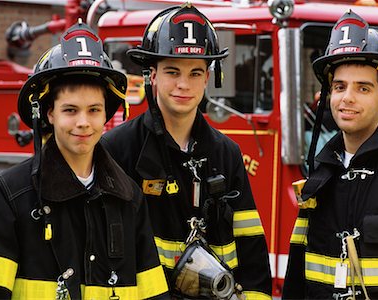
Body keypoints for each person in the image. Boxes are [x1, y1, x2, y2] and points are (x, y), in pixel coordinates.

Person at [101, 3, 272, 299]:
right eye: (172, 71)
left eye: (195, 73)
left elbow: (251, 248)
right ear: (151, 75)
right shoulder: (118, 149)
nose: (184, 84)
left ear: (208, 78)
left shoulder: (226, 153)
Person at [0, 21, 169, 299]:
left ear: (105, 115)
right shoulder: (10, 195)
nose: (83, 123)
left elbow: (153, 294)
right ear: (50, 114)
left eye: (94, 110)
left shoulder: (129, 197)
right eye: (70, 110)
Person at [282, 10, 378, 300]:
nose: (347, 98)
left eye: (363, 88)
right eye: (339, 87)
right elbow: (295, 278)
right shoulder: (320, 175)